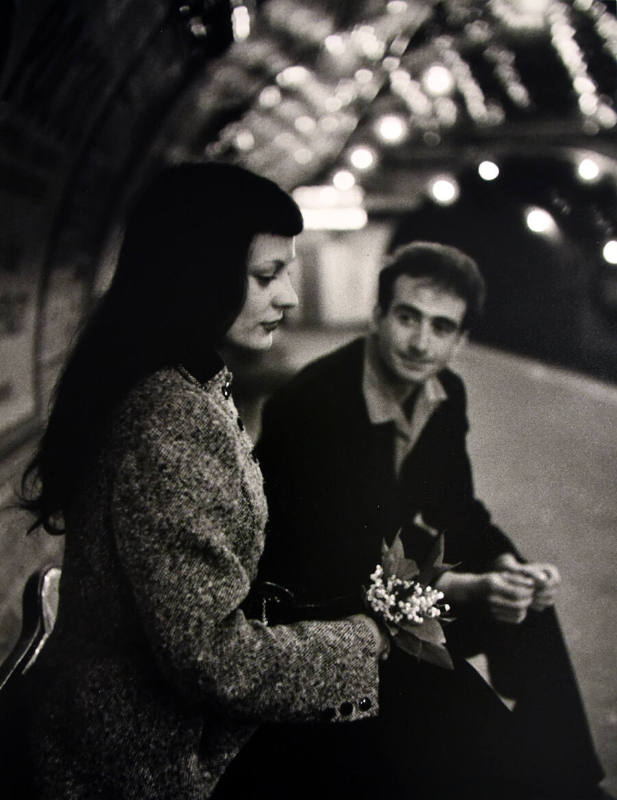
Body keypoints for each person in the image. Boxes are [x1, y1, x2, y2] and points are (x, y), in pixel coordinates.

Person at [15, 162, 387, 800]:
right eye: (267, 276)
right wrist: (364, 641)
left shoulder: (171, 384)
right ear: (195, 277)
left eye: (288, 272)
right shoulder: (171, 415)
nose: (290, 297)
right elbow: (212, 658)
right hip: (138, 765)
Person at [225, 241, 606, 799]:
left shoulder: (445, 392)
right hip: (318, 606)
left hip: (389, 581)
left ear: (461, 341)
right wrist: (470, 589)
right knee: (465, 710)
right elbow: (338, 559)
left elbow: (459, 510)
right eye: (407, 317)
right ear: (378, 316)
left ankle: (573, 780)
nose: (420, 342)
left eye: (441, 327)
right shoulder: (316, 404)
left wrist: (507, 568)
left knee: (525, 598)